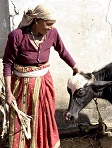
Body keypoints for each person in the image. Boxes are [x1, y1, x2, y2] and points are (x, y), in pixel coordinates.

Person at [2, 4, 79, 148]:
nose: (50, 28)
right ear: (37, 20)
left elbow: (62, 51)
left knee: (45, 116)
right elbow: (7, 64)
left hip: (44, 84)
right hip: (22, 88)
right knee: (22, 119)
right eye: (48, 24)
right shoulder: (17, 36)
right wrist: (8, 92)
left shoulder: (52, 33)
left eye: (52, 25)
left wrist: (75, 67)